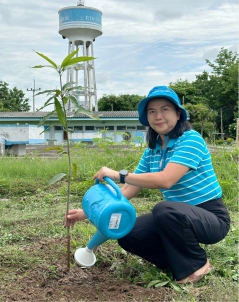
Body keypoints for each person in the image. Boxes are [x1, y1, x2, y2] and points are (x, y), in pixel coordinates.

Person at [65, 86, 230, 284]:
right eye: (152, 111)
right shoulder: (152, 152)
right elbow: (127, 191)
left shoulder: (191, 140)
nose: (158, 116)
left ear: (178, 114)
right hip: (176, 216)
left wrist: (119, 174)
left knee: (164, 209)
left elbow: (165, 180)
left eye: (165, 109)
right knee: (128, 234)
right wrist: (89, 213)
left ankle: (197, 264)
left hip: (210, 217)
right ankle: (176, 263)